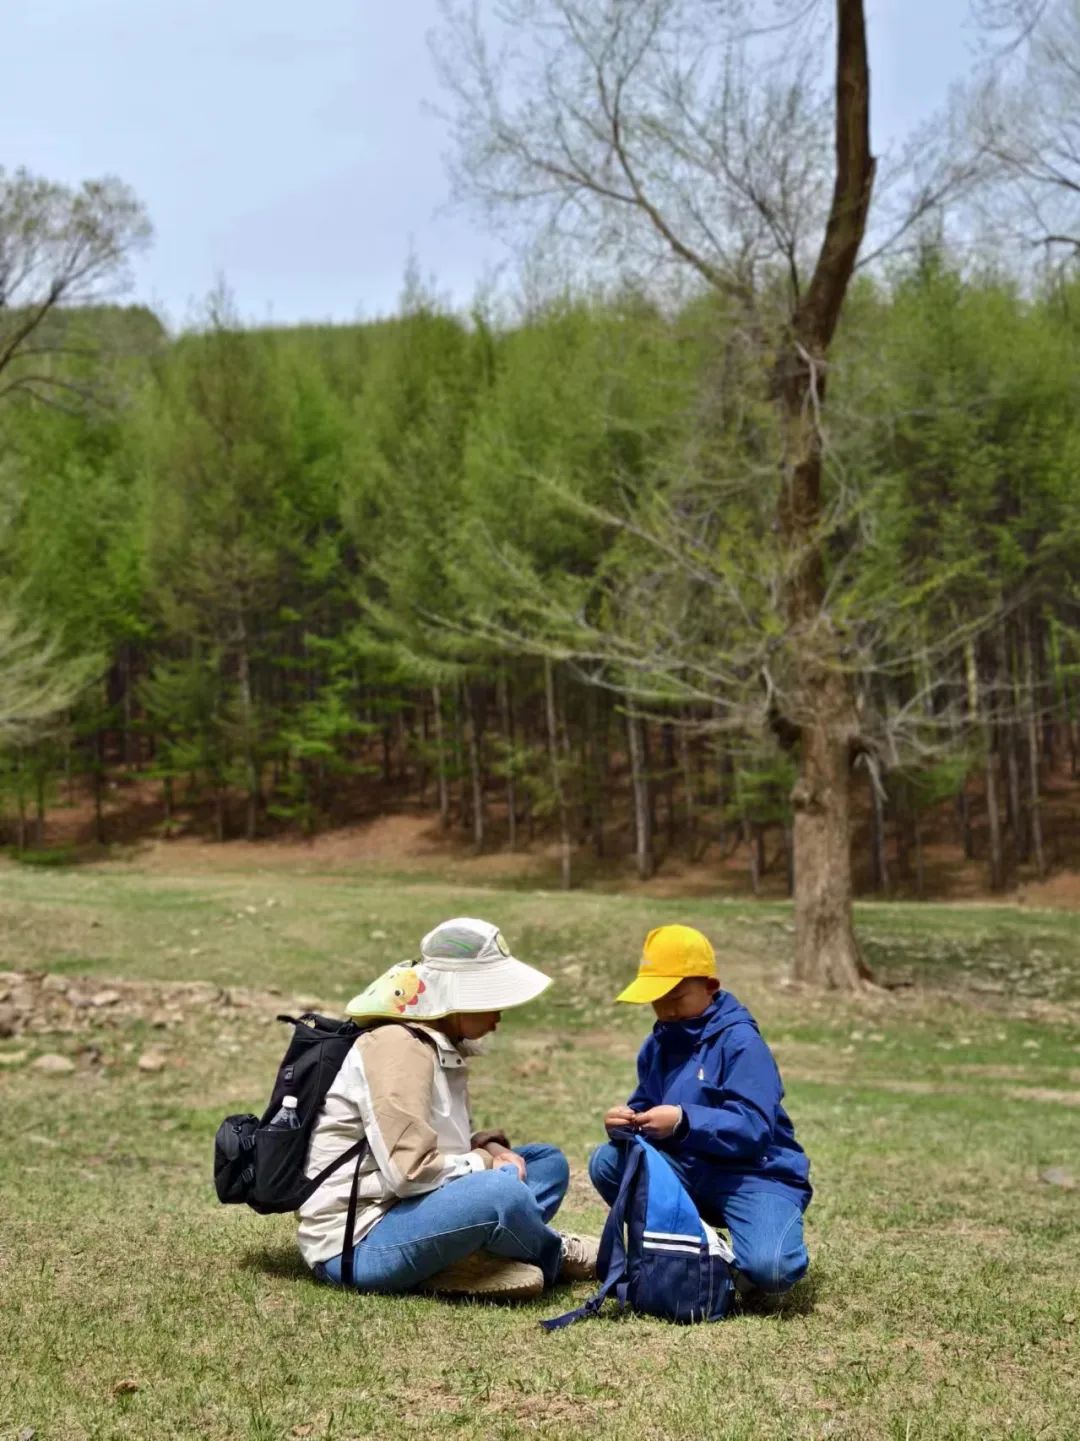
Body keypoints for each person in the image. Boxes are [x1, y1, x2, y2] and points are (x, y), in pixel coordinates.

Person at [298, 916, 597, 1300]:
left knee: (546, 1163)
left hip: (411, 1209)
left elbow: (437, 1143)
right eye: (492, 1000)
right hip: (360, 1241)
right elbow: (409, 1173)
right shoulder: (398, 1048)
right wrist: (486, 1165)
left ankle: (456, 1261)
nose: (499, 1017)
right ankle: (556, 1254)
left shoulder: (436, 1042)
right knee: (500, 1193)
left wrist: (488, 1148)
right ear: (459, 996)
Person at [590, 924, 811, 1300]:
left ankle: (737, 1257)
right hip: (688, 1170)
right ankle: (692, 1254)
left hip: (752, 1175)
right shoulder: (658, 1042)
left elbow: (753, 1127)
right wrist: (628, 1120)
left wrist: (683, 1120)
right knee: (609, 1162)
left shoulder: (741, 1042)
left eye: (675, 998)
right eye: (657, 1000)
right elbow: (648, 1101)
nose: (666, 1010)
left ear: (711, 986)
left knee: (771, 1270)